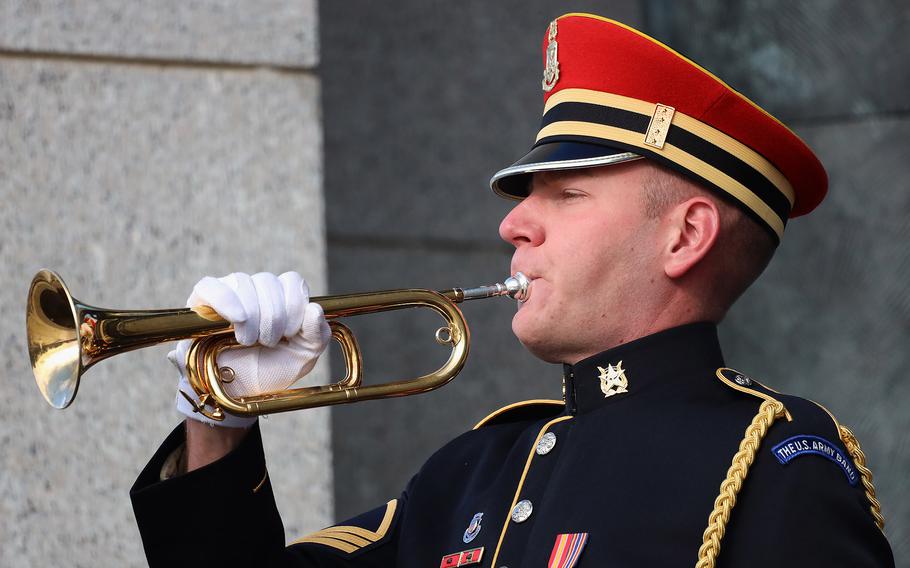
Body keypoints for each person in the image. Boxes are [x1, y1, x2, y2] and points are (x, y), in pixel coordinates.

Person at [130, 13, 895, 567]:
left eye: (565, 195)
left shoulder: (769, 462)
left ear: (684, 237)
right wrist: (219, 420)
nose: (514, 226)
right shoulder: (473, 473)